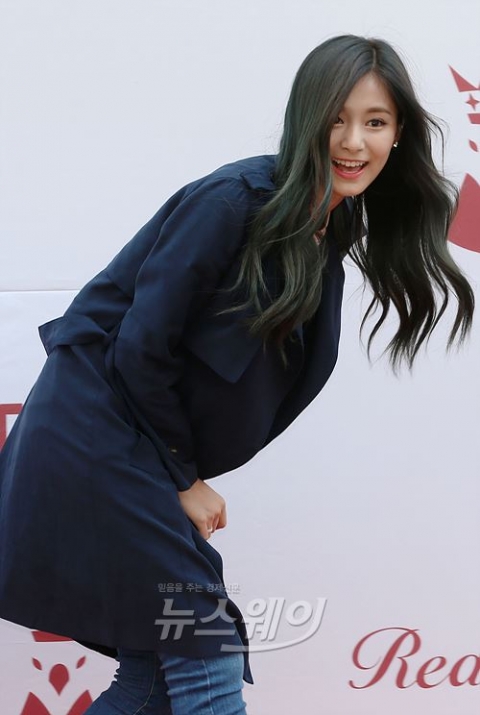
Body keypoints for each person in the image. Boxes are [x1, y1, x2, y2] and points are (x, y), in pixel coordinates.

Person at [0, 34, 475, 715]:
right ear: (304, 119)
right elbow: (139, 348)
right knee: (205, 653)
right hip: (98, 437)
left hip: (137, 449)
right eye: (336, 119)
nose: (353, 142)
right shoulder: (233, 201)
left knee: (151, 678)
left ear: (398, 133)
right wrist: (183, 479)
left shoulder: (331, 224)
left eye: (375, 122)